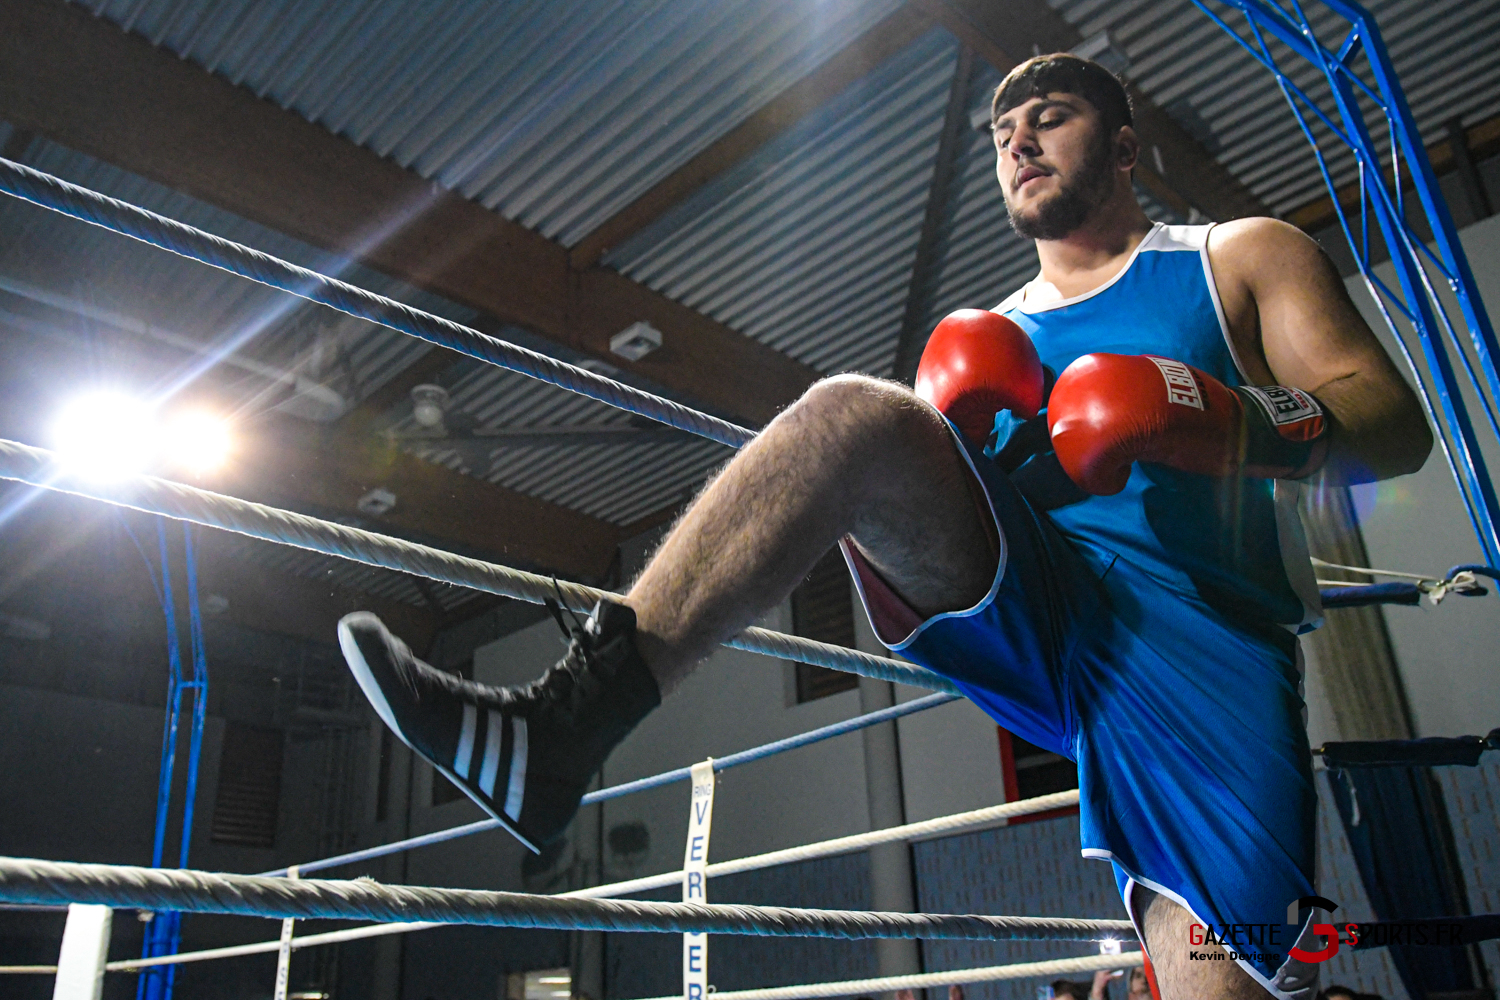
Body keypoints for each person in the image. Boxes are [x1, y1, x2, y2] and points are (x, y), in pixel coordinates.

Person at [337, 54, 1430, 1000]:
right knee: (858, 417)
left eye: (1049, 116)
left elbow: (1389, 422)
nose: (1020, 143)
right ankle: (564, 723)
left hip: (1203, 650)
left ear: (1127, 145)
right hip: (1036, 610)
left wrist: (1228, 418)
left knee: (1216, 968)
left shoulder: (1236, 255)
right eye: (1002, 133)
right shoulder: (987, 338)